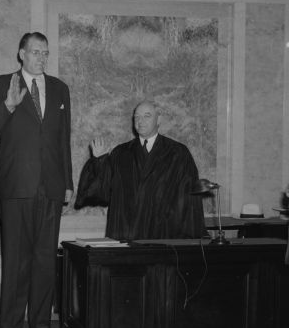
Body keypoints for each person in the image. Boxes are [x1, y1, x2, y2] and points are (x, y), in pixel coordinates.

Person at [0, 32, 73, 328]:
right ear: (21, 54)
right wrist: (7, 106)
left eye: (45, 53)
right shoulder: (1, 85)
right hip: (15, 186)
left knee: (45, 260)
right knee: (16, 260)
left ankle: (41, 325)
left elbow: (63, 140)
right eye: (35, 52)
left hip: (51, 186)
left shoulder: (60, 89)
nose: (41, 58)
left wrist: (68, 183)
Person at [75, 101, 206, 240]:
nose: (140, 121)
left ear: (159, 120)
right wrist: (99, 161)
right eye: (136, 117)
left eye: (147, 116)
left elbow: (190, 201)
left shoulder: (178, 153)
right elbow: (102, 191)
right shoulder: (121, 153)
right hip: (126, 232)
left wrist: (189, 239)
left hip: (163, 233)